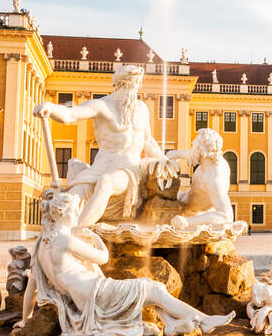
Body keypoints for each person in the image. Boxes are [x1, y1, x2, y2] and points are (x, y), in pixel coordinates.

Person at [28, 189, 233, 336]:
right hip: (96, 295)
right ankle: (204, 320)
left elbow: (31, 288)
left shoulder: (42, 244)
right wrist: (93, 237)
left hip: (90, 295)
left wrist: (24, 319)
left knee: (154, 290)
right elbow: (103, 257)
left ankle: (171, 323)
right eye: (76, 211)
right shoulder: (66, 240)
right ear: (65, 213)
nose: (78, 215)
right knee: (153, 289)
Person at [34, 64, 175, 227]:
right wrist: (51, 107)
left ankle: (77, 233)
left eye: (137, 83)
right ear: (120, 83)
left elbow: (148, 140)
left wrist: (164, 160)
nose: (134, 88)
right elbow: (70, 115)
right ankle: (59, 238)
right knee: (71, 199)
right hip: (99, 168)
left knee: (106, 183)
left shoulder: (142, 109)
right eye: (131, 83)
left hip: (127, 170)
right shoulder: (101, 105)